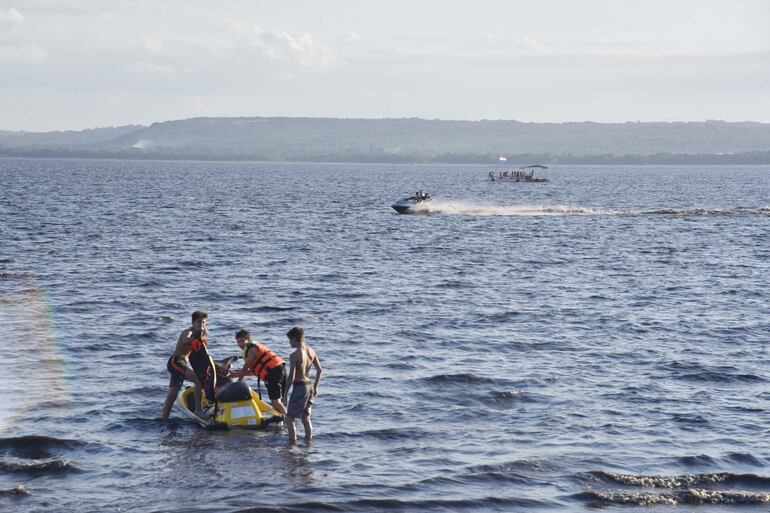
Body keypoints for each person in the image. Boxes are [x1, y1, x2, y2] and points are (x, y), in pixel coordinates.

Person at [229, 329, 288, 416]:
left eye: (241, 341)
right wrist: (235, 374)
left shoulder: (252, 349)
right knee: (278, 402)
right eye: (238, 342)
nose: (240, 344)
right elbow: (254, 372)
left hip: (274, 372)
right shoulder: (251, 349)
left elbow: (245, 368)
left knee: (276, 402)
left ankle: (289, 421)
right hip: (279, 370)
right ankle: (283, 421)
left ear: (248, 339)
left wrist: (238, 382)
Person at [161, 310, 208, 419]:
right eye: (199, 323)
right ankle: (198, 410)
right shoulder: (188, 332)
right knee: (198, 380)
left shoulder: (200, 336)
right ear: (193, 323)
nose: (202, 325)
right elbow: (185, 340)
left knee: (172, 396)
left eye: (204, 323)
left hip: (179, 365)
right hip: (176, 362)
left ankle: (163, 418)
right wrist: (194, 337)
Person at [283, 326, 322, 445]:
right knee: (306, 418)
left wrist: (285, 393)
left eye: (290, 340)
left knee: (289, 418)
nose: (289, 343)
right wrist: (315, 387)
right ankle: (308, 444)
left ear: (294, 339)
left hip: (300, 387)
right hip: (309, 386)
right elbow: (319, 370)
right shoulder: (311, 351)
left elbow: (291, 377)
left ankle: (291, 444)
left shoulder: (294, 355)